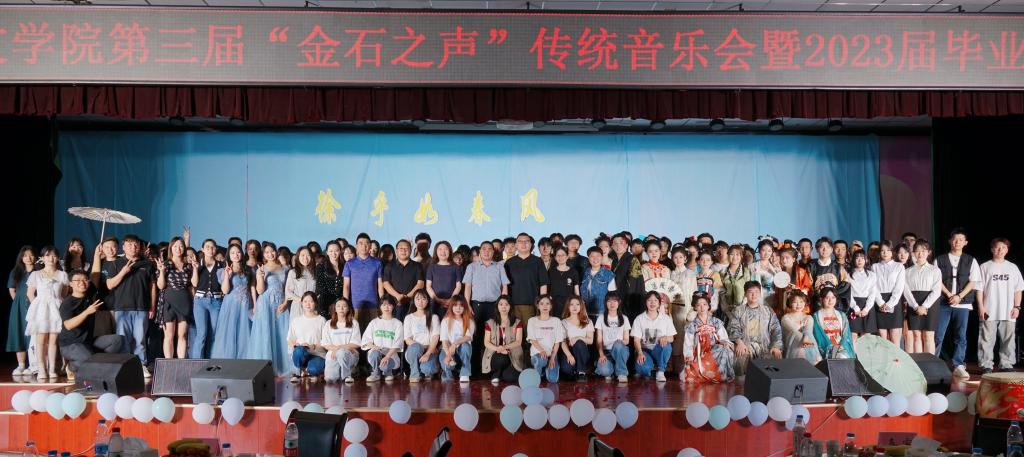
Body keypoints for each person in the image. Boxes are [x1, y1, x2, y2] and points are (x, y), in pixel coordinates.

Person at [102, 235, 156, 378]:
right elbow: (110, 285)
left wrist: (152, 306)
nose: (133, 247)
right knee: (123, 340)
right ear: (123, 247)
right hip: (122, 308)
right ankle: (125, 366)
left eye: (136, 244)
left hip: (142, 308)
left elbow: (152, 287)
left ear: (140, 247)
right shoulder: (116, 263)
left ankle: (141, 365)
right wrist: (123, 272)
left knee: (140, 340)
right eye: (129, 244)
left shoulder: (147, 264)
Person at [933, 228, 981, 379]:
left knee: (960, 335)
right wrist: (949, 295)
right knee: (938, 335)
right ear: (950, 241)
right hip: (943, 302)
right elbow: (936, 280)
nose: (957, 242)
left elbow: (973, 281)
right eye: (955, 239)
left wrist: (959, 296)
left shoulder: (971, 260)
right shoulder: (939, 259)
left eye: (960, 240)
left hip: (963, 303)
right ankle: (933, 362)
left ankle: (958, 364)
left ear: (965, 242)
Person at [58, 270, 123, 380]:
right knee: (87, 358)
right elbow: (68, 325)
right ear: (71, 284)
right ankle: (71, 367)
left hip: (87, 342)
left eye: (85, 280)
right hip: (70, 344)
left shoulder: (89, 294)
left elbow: (95, 274)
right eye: (77, 280)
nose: (82, 283)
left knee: (117, 340)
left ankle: (96, 363)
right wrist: (87, 312)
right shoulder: (67, 303)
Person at [977, 238, 1024, 374]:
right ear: (992, 249)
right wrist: (981, 306)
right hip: (989, 308)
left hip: (1008, 310)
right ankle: (986, 365)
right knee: (986, 339)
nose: (1000, 250)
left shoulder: (1012, 267)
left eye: (1003, 247)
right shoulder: (985, 266)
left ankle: (1006, 364)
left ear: (1007, 250)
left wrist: (1017, 307)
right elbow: (979, 289)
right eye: (998, 247)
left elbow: (1018, 289)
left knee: (1008, 339)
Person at [463, 241, 510, 377]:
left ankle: (492, 371)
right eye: (484, 249)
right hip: (476, 306)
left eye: (490, 249)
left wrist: (503, 304)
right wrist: (467, 304)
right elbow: (467, 287)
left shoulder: (499, 267)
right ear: (480, 252)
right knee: (476, 337)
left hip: (495, 306)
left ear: (493, 252)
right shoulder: (472, 267)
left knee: (494, 337)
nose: (487, 251)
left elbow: (504, 286)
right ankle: (475, 371)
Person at [247, 242, 293, 376]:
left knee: (282, 333)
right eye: (266, 252)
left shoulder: (285, 268)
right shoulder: (261, 268)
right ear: (263, 254)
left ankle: (283, 366)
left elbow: (287, 288)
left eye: (272, 251)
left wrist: (285, 303)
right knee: (266, 334)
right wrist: (260, 276)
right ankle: (266, 368)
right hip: (266, 304)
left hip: (281, 304)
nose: (270, 254)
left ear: (276, 252)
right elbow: (260, 291)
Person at [26, 246, 69, 381]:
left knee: (53, 340)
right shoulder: (36, 274)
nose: (51, 258)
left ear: (57, 258)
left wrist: (56, 303)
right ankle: (41, 369)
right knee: (40, 341)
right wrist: (38, 308)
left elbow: (64, 294)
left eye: (54, 255)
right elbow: (30, 294)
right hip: (41, 310)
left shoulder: (62, 275)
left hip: (56, 309)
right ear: (43, 258)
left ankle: (52, 369)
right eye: (48, 255)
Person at [728, 281, 783, 376]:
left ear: (760, 294)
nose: (754, 295)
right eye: (750, 292)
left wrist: (776, 346)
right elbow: (733, 327)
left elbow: (776, 329)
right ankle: (742, 382)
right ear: (745, 294)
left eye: (756, 292)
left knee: (774, 359)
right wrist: (739, 342)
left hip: (765, 346)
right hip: (745, 345)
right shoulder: (738, 311)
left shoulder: (768, 311)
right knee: (740, 357)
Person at [210, 244, 254, 359]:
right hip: (231, 305)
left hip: (246, 305)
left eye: (238, 252)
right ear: (229, 255)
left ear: (242, 254)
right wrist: (227, 276)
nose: (236, 255)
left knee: (244, 332)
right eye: (232, 253)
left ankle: (244, 361)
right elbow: (225, 290)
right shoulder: (222, 271)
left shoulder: (248, 269)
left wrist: (255, 305)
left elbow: (252, 288)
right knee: (229, 332)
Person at [683, 293, 735, 383]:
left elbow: (723, 337)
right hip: (699, 353)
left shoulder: (716, 322)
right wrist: (688, 355)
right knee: (691, 373)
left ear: (708, 306)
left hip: (714, 350)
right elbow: (688, 342)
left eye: (704, 304)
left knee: (726, 350)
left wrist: (725, 342)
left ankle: (721, 375)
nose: (702, 308)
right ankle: (710, 374)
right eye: (698, 305)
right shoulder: (692, 325)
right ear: (695, 307)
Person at [156, 237, 193, 359]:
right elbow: (161, 286)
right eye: (175, 246)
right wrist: (161, 271)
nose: (178, 249)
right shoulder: (165, 264)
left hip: (184, 302)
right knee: (169, 336)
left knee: (182, 335)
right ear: (171, 248)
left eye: (181, 246)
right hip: (169, 302)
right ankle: (169, 362)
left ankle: (181, 362)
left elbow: (192, 285)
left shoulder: (188, 266)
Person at [904, 240, 942, 354]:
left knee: (928, 335)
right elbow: (906, 290)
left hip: (930, 304)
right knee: (916, 335)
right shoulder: (907, 271)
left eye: (923, 251)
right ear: (913, 253)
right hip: (913, 303)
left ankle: (930, 362)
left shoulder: (935, 270)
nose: (920, 254)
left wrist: (925, 306)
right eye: (917, 251)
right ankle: (919, 362)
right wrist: (916, 306)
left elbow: (937, 290)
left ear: (928, 252)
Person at [505, 233, 549, 330]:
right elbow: (505, 286)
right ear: (516, 245)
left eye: (526, 241)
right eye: (520, 241)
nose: (523, 244)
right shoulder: (509, 263)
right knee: (514, 333)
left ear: (531, 244)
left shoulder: (538, 261)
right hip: (513, 305)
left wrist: (542, 303)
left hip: (532, 305)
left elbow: (543, 284)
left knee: (531, 333)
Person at [344, 233, 385, 333]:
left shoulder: (377, 263)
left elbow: (380, 285)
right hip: (355, 305)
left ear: (370, 246)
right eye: (361, 243)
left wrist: (382, 302)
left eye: (366, 243)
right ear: (356, 246)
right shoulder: (349, 263)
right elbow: (346, 286)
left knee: (373, 333)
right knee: (356, 333)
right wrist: (345, 303)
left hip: (373, 305)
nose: (364, 246)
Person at [190, 239, 224, 358]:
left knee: (214, 333)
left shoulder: (221, 265)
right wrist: (195, 269)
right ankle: (197, 362)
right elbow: (194, 283)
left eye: (213, 247)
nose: (210, 249)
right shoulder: (197, 264)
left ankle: (211, 360)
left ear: (216, 249)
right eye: (208, 247)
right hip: (200, 301)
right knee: (202, 333)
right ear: (202, 249)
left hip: (216, 301)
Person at [632, 291, 676, 381]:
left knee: (667, 345)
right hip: (645, 350)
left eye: (655, 300)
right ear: (645, 302)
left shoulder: (666, 318)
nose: (652, 303)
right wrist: (640, 353)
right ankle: (648, 367)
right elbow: (636, 340)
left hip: (659, 349)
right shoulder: (639, 319)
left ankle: (660, 371)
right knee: (642, 368)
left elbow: (671, 338)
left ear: (659, 303)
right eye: (649, 300)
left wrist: (665, 338)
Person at [482, 295, 524, 384]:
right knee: (500, 358)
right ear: (497, 307)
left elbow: (518, 342)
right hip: (496, 354)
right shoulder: (490, 322)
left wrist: (504, 347)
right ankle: (496, 373)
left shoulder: (517, 322)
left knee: (510, 378)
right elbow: (486, 342)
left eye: (506, 304)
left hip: (512, 354)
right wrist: (499, 349)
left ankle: (501, 373)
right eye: (501, 304)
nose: (504, 307)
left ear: (510, 306)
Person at [361, 296, 404, 382]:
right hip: (377, 352)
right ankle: (375, 373)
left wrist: (387, 356)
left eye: (389, 305)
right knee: (375, 354)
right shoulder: (374, 322)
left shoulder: (398, 323)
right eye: (384, 305)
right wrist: (373, 347)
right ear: (380, 307)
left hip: (391, 354)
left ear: (393, 306)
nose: (386, 307)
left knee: (385, 365)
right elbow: (366, 339)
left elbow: (398, 343)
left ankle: (388, 372)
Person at [7, 246, 35, 375]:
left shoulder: (39, 271)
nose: (28, 258)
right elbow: (12, 289)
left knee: (33, 335)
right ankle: (21, 365)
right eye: (25, 255)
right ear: (21, 258)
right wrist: (19, 304)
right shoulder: (16, 272)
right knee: (19, 333)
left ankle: (33, 364)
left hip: (35, 306)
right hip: (18, 307)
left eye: (31, 255)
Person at [873, 241, 907, 346]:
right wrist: (880, 303)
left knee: (895, 337)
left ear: (892, 252)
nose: (885, 253)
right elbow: (873, 286)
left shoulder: (899, 266)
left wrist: (890, 304)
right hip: (879, 301)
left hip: (894, 302)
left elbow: (899, 287)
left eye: (888, 250)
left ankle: (896, 357)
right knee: (882, 338)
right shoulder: (874, 267)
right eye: (882, 250)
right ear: (879, 252)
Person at [287, 292, 327, 383]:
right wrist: (296, 345)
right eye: (305, 301)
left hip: (318, 354)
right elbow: (290, 340)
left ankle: (307, 371)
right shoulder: (296, 321)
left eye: (311, 301)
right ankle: (299, 371)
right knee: (299, 351)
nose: (308, 304)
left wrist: (313, 346)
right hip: (301, 353)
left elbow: (326, 342)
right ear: (301, 303)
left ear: (315, 303)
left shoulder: (321, 320)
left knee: (314, 368)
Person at [382, 239, 424, 321]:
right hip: (394, 304)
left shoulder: (417, 266)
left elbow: (420, 284)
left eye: (406, 248)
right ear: (396, 250)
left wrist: (407, 297)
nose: (403, 251)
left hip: (413, 304)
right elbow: (386, 284)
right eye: (401, 248)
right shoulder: (389, 266)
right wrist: (398, 296)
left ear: (410, 250)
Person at [321, 297, 361, 384]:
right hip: (333, 354)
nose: (341, 308)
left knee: (341, 352)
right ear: (335, 309)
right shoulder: (328, 324)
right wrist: (336, 350)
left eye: (344, 306)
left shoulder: (354, 323)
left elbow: (356, 343)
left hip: (349, 353)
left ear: (348, 308)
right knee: (330, 379)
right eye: (338, 306)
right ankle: (344, 370)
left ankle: (347, 375)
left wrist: (339, 348)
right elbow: (325, 344)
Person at [404, 289, 441, 382]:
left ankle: (426, 370)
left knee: (428, 369)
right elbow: (407, 339)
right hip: (414, 351)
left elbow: (435, 337)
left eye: (423, 299)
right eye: (418, 299)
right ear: (414, 301)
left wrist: (428, 352)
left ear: (428, 301)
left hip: (430, 350)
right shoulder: (408, 318)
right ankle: (415, 374)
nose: (420, 302)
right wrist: (421, 347)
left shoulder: (434, 317)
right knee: (415, 347)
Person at [594, 293, 631, 383]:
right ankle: (611, 370)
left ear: (619, 302)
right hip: (606, 352)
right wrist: (601, 354)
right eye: (609, 301)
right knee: (604, 371)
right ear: (605, 303)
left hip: (620, 351)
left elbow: (627, 340)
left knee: (618, 345)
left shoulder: (624, 318)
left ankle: (622, 373)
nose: (612, 304)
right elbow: (599, 340)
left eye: (614, 301)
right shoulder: (601, 318)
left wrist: (619, 343)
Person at [527, 295, 564, 383]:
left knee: (553, 379)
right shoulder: (532, 320)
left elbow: (557, 342)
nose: (545, 306)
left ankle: (544, 370)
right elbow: (532, 340)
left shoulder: (556, 321)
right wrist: (541, 350)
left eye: (547, 303)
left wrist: (552, 358)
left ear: (551, 306)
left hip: (551, 354)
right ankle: (538, 371)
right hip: (537, 353)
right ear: (538, 306)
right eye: (542, 304)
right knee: (541, 360)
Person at [812, 287, 856, 359]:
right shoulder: (816, 316)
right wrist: (832, 347)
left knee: (842, 355)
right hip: (826, 345)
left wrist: (842, 345)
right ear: (821, 299)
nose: (830, 300)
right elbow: (818, 335)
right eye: (827, 298)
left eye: (833, 298)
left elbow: (846, 334)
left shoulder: (842, 315)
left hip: (841, 346)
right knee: (839, 356)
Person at [848, 250, 883, 340]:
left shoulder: (872, 275)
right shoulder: (848, 275)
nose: (860, 260)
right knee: (853, 334)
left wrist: (866, 309)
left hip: (867, 305)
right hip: (853, 305)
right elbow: (848, 293)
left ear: (866, 260)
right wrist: (855, 307)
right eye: (857, 258)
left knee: (867, 336)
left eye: (862, 258)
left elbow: (873, 293)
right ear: (853, 260)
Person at [439, 296, 475, 382]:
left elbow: (468, 337)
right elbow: (444, 340)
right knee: (447, 364)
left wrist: (455, 344)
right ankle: (447, 375)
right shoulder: (445, 321)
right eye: (455, 305)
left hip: (462, 349)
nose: (458, 308)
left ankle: (464, 374)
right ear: (451, 307)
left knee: (465, 346)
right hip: (448, 349)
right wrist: (448, 355)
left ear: (464, 307)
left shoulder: (469, 321)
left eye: (461, 305)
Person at [559, 295, 593, 382]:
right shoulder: (563, 322)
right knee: (566, 369)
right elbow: (562, 342)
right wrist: (569, 355)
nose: (575, 307)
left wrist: (579, 337)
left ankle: (581, 373)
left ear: (581, 306)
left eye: (577, 304)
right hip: (569, 350)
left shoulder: (588, 321)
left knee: (579, 343)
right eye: (572, 304)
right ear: (568, 306)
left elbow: (590, 341)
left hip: (583, 351)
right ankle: (574, 371)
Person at [781, 291, 821, 365]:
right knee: (800, 351)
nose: (798, 305)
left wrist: (806, 338)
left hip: (807, 343)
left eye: (801, 302)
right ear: (790, 303)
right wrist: (804, 340)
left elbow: (808, 330)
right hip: (792, 346)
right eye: (795, 302)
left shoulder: (808, 317)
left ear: (805, 303)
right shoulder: (786, 318)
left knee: (809, 338)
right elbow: (793, 331)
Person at [426, 241, 462, 320]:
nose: (443, 252)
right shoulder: (432, 267)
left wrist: (451, 299)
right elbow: (428, 286)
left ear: (450, 251)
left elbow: (458, 286)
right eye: (440, 249)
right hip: (435, 303)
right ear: (436, 251)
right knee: (435, 324)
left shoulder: (455, 267)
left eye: (445, 249)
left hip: (452, 303)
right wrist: (437, 299)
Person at [581, 246, 617, 321]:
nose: (595, 259)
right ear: (588, 258)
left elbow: (612, 295)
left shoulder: (608, 274)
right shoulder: (584, 273)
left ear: (602, 257)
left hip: (602, 314)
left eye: (598, 256)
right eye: (592, 256)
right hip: (584, 313)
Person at [775, 248, 813, 317]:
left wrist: (796, 289)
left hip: (798, 304)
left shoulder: (801, 272)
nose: (784, 260)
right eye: (782, 258)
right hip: (783, 303)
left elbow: (808, 289)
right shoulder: (779, 272)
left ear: (793, 259)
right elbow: (776, 291)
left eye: (787, 258)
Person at [314, 242, 344, 318]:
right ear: (327, 252)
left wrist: (339, 302)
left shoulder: (345, 266)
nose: (334, 253)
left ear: (340, 251)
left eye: (336, 250)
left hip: (342, 304)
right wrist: (333, 304)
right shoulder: (321, 266)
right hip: (325, 304)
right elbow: (320, 287)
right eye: (331, 251)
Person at [548, 247, 581, 318]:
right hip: (554, 304)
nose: (561, 257)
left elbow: (576, 289)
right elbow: (548, 288)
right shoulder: (551, 271)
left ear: (567, 256)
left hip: (568, 304)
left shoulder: (573, 272)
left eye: (563, 255)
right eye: (558, 255)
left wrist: (579, 302)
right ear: (555, 257)